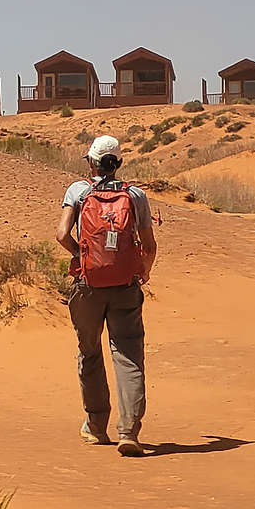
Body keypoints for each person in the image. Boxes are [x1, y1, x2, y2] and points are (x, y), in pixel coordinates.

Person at [55, 135, 158, 457]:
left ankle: (97, 427)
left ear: (91, 162)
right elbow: (150, 245)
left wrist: (79, 255)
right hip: (125, 285)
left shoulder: (78, 191)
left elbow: (61, 235)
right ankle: (129, 431)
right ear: (119, 163)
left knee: (89, 351)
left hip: (87, 285)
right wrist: (144, 271)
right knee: (128, 355)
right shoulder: (135, 196)